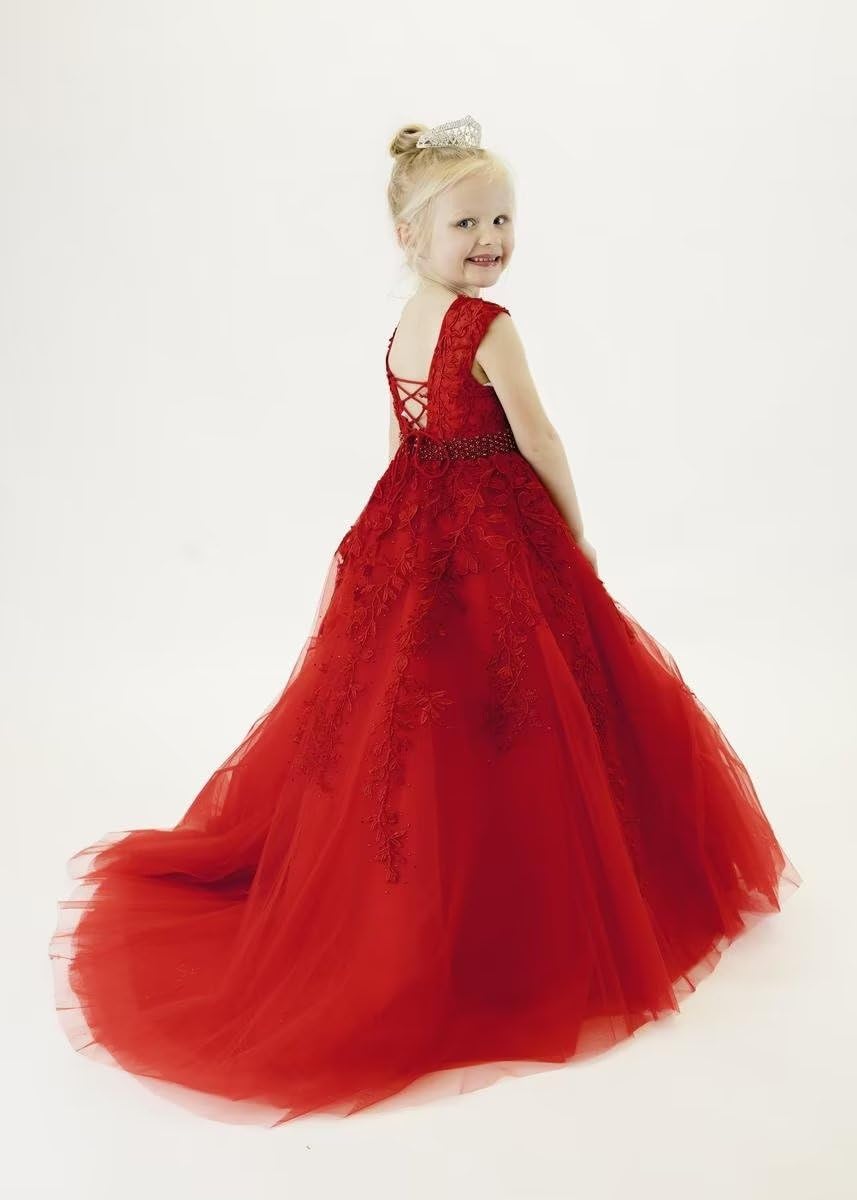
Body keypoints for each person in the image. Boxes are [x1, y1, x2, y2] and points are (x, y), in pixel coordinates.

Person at [49, 114, 802, 1128]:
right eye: (466, 224)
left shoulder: (408, 320)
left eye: (501, 219)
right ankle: (506, 897)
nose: (490, 240)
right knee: (512, 699)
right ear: (410, 235)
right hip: (489, 527)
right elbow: (538, 436)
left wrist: (407, 521)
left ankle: (448, 878)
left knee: (419, 701)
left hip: (417, 517)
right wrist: (573, 533)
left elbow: (407, 429)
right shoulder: (487, 327)